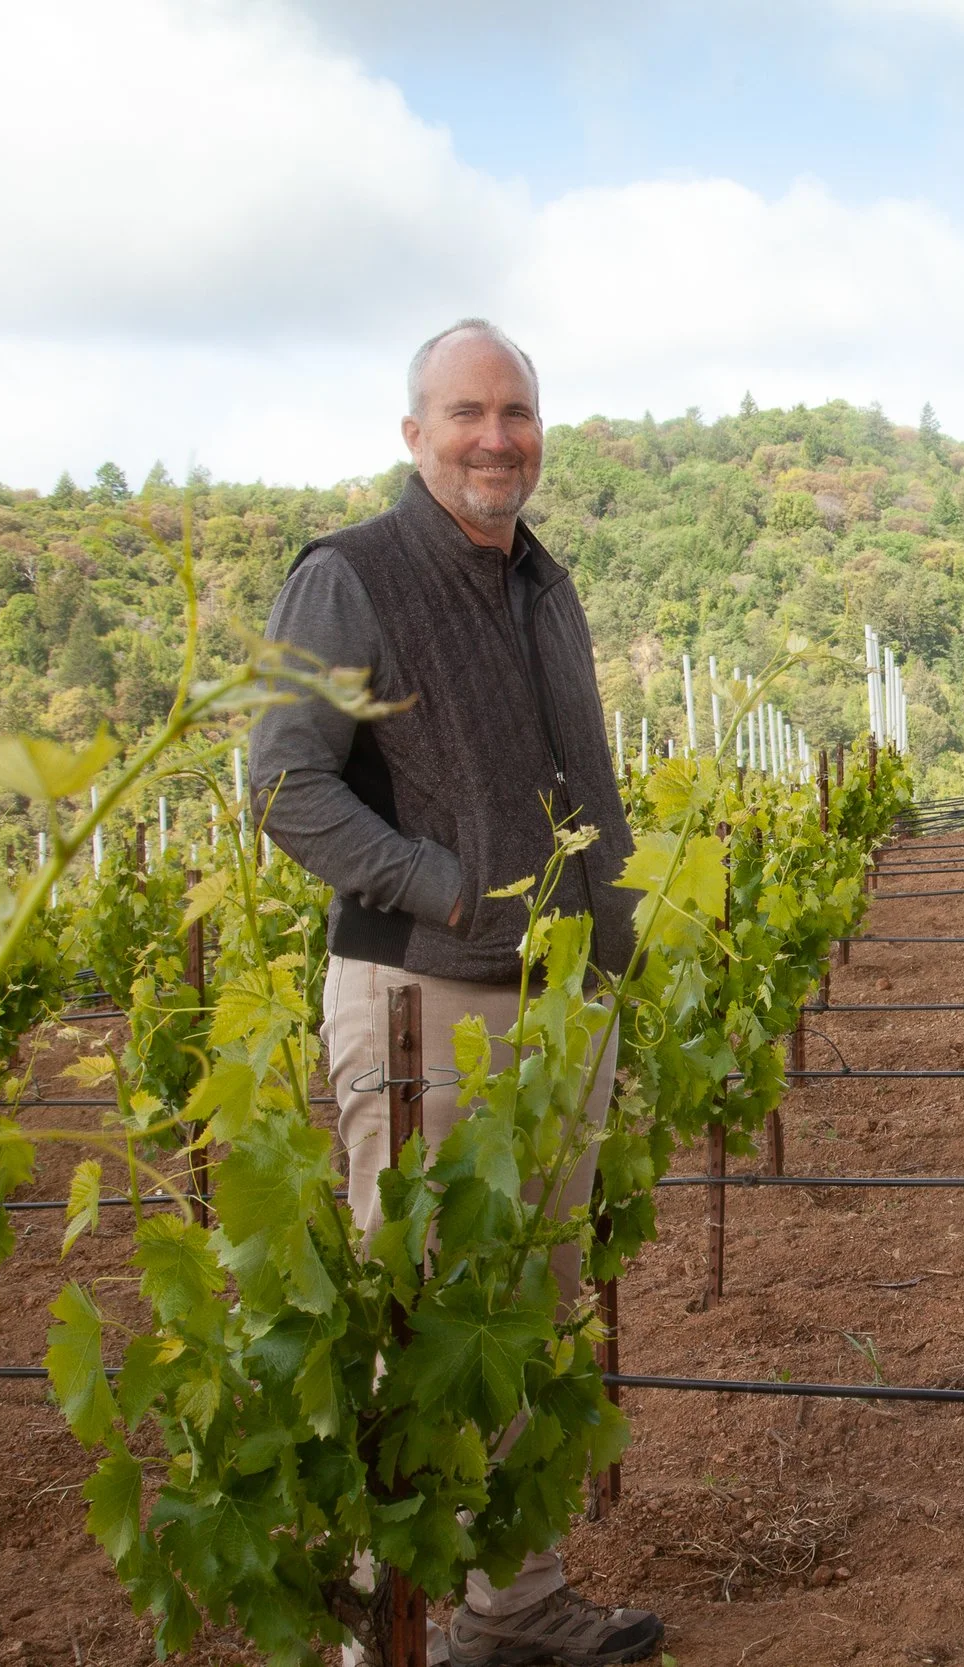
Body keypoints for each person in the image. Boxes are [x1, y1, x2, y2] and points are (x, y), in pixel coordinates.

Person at [251, 319, 665, 1667]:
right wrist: (441, 882)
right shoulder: (351, 575)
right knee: (417, 1307)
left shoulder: (545, 582)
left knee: (528, 1310)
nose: (499, 437)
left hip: (558, 998)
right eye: (469, 412)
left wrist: (610, 933)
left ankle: (516, 1604)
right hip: (429, 993)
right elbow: (283, 781)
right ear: (413, 432)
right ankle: (393, 1626)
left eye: (520, 413)